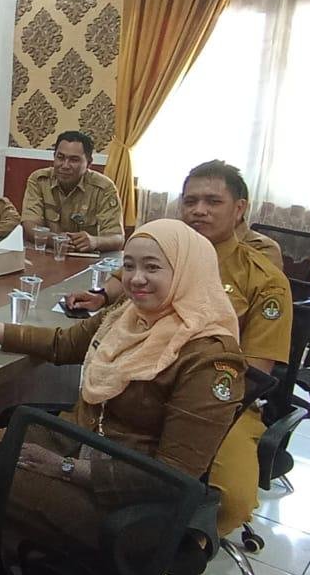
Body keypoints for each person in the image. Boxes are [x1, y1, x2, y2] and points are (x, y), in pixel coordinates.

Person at [0, 220, 245, 575]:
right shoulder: (128, 317)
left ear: (185, 272)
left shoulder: (209, 358)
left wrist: (65, 468)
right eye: (128, 266)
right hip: (74, 442)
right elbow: (65, 343)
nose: (136, 279)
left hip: (115, 495)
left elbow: (173, 476)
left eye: (153, 267)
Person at [66, 160, 292, 534]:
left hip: (220, 398)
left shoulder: (264, 278)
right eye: (190, 201)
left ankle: (183, 549)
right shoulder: (167, 250)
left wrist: (189, 403)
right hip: (145, 379)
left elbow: (255, 370)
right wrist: (100, 296)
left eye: (212, 201)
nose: (198, 210)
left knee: (232, 498)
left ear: (239, 209)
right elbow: (127, 281)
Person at [21, 130, 124, 253]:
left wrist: (95, 241)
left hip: (85, 259)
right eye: (60, 157)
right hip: (48, 254)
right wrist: (55, 240)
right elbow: (30, 225)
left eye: (74, 160)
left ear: (89, 163)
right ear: (54, 157)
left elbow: (118, 238)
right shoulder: (39, 180)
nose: (65, 165)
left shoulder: (104, 188)